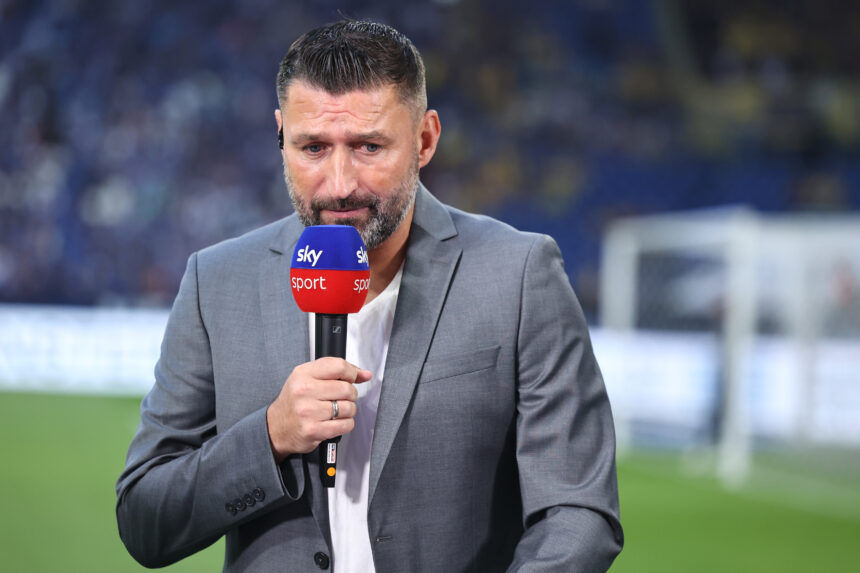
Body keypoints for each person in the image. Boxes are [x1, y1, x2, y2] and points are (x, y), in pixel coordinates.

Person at [116, 19, 623, 572]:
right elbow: (145, 520)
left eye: (369, 146)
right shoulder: (216, 282)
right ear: (281, 135)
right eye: (313, 147)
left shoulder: (519, 274)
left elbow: (578, 513)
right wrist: (271, 436)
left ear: (425, 139)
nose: (340, 184)